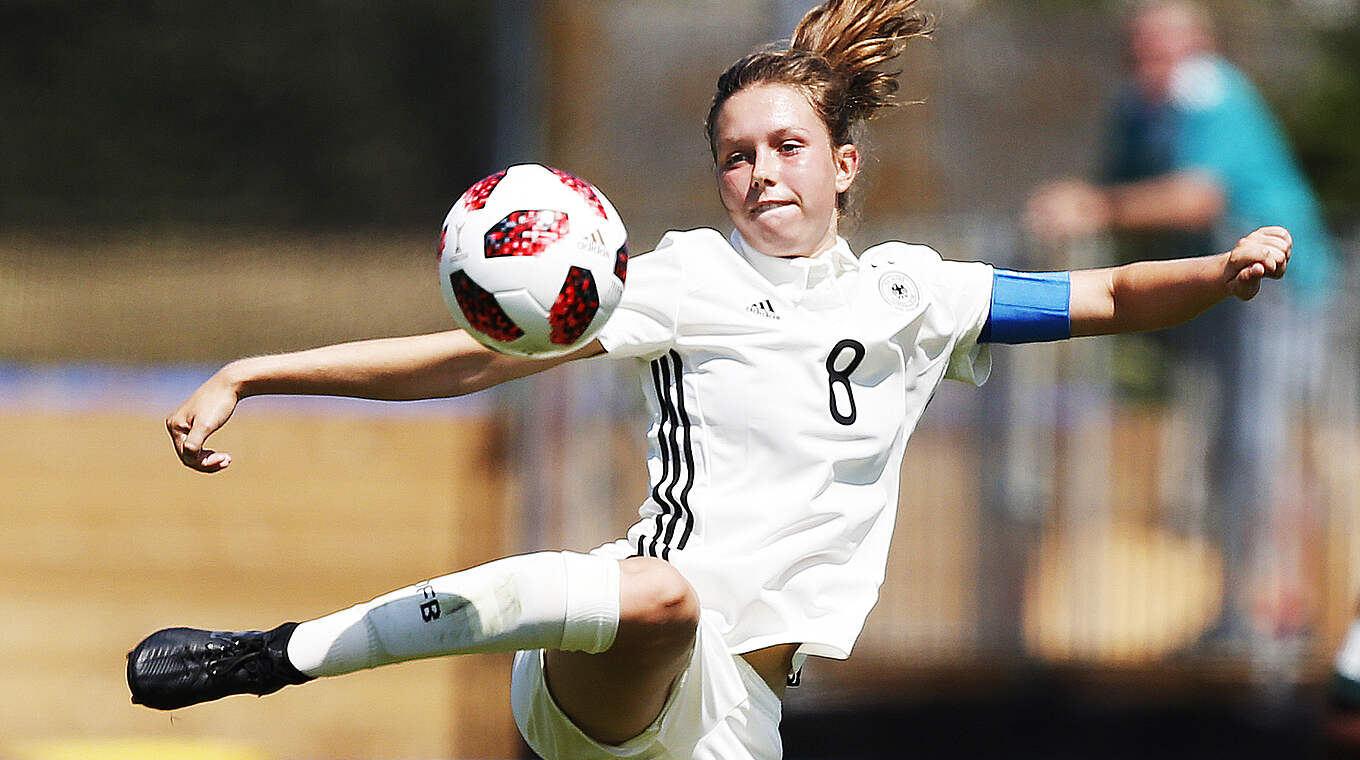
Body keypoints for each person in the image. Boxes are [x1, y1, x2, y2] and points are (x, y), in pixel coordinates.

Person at [126, 1, 1292, 757]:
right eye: (735, 155)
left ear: (843, 164)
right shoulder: (677, 279)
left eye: (785, 147)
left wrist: (1224, 268)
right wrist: (257, 369)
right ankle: (271, 656)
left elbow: (1109, 296)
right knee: (658, 593)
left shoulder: (915, 292)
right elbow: (473, 360)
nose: (759, 172)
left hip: (745, 712)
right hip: (617, 658)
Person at [1026, 0, 1335, 648]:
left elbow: (1196, 195)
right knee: (1226, 453)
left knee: (1256, 450)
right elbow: (1119, 195)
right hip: (1222, 299)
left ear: (1200, 47)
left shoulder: (1212, 95)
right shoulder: (1138, 109)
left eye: (1166, 47)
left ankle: (1275, 616)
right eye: (1141, 49)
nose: (1152, 60)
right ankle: (1240, 613)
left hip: (1279, 293)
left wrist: (1092, 208)